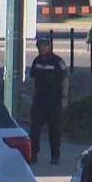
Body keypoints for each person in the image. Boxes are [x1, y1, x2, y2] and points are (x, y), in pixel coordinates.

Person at [28, 36, 68, 165]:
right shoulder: (37, 61)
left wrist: (64, 98)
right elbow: (33, 80)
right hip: (40, 99)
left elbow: (65, 79)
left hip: (54, 100)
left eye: (44, 45)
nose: (42, 48)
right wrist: (32, 97)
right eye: (40, 46)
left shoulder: (57, 61)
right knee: (35, 128)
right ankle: (33, 153)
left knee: (54, 129)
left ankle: (55, 155)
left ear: (49, 46)